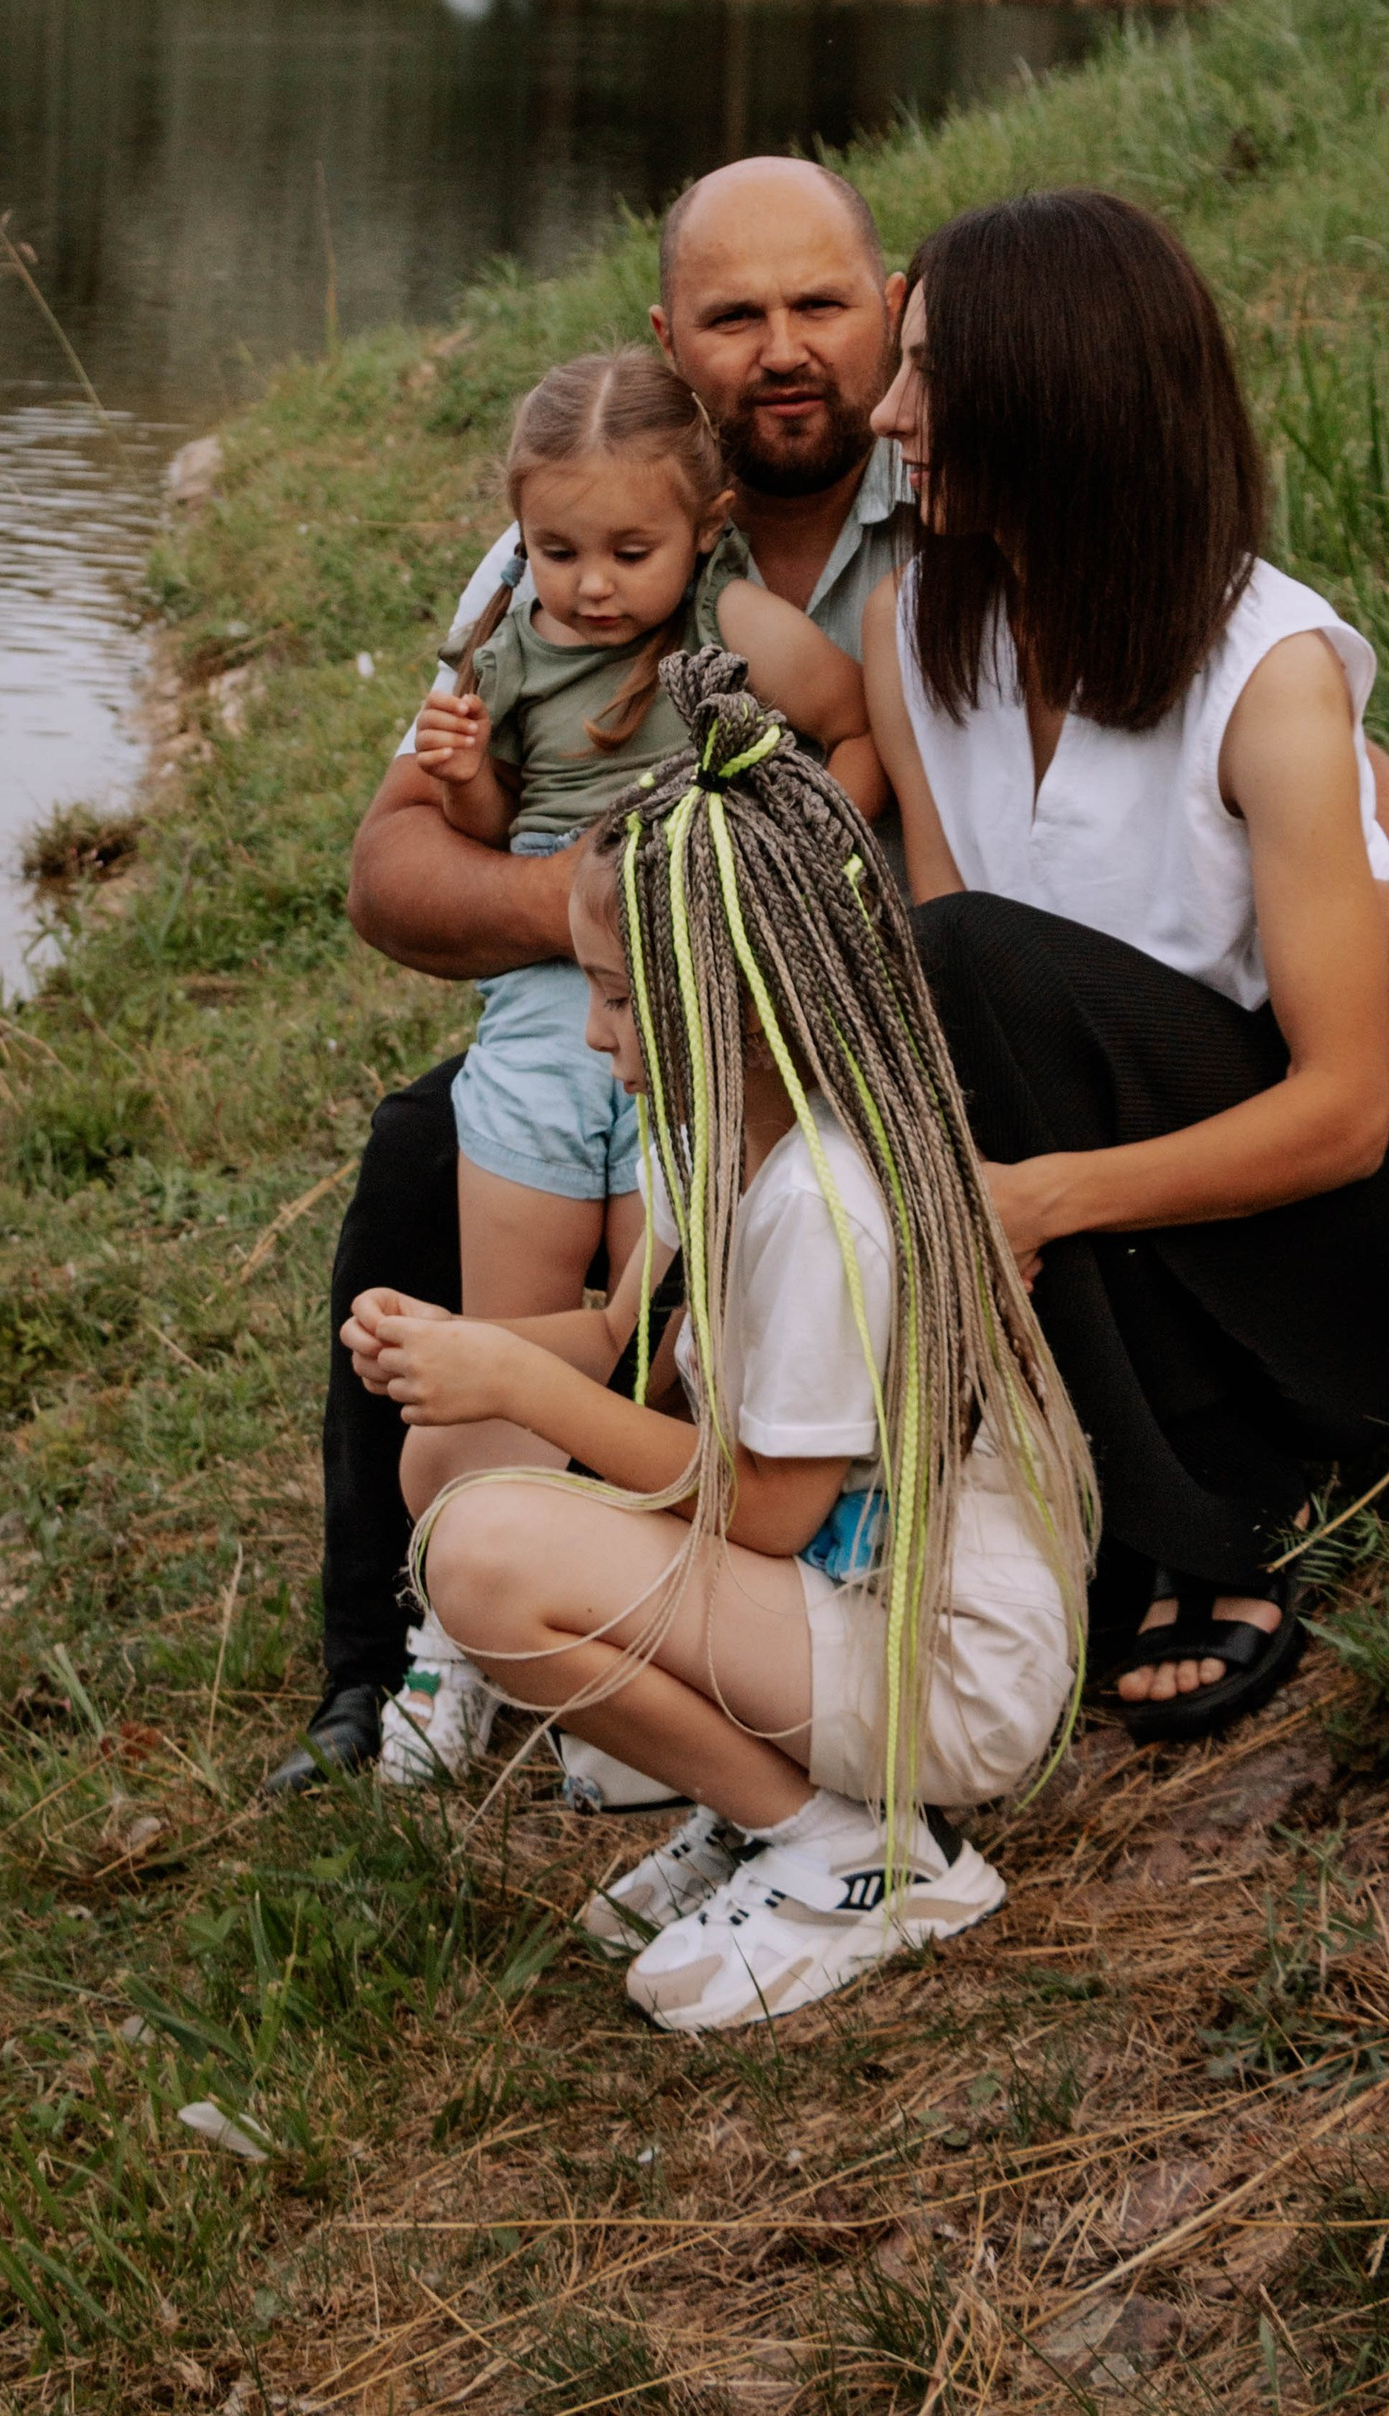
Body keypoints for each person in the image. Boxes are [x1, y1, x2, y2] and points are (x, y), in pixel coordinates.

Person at [269, 155, 1389, 1793]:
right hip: (953, 1034)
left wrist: (1009, 1193)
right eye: (736, 315)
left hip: (1273, 1136)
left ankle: (1200, 1518)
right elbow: (395, 864)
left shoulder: (1211, 645)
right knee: (457, 1136)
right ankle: (404, 1638)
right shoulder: (824, 597)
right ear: (670, 338)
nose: (866, 393)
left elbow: (1338, 1014)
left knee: (953, 996)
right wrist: (663, 962)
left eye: (865, 333)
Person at [345, 649, 1095, 2033]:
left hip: (942, 1662)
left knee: (486, 1554)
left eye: (623, 998)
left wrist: (516, 1377)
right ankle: (771, 1811)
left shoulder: (827, 1202)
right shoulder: (716, 1132)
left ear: (744, 993)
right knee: (457, 1451)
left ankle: (856, 1853)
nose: (596, 1034)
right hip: (837, 1599)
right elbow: (625, 1333)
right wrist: (469, 1360)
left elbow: (766, 1511)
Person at [862, 188, 1389, 1742]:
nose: (891, 413)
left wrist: (1037, 1202)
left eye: (930, 373)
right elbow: (972, 1024)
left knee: (973, 970)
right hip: (1107, 1152)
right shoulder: (914, 629)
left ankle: (1219, 1514)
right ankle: (1094, 1483)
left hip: (1339, 1196)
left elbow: (1346, 1111)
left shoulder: (1266, 670)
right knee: (963, 986)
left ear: (1058, 388)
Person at [383, 346, 878, 1775]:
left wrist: (771, 882)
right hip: (547, 1000)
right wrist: (463, 759)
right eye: (556, 549)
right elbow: (483, 822)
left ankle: (631, 1640)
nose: (591, 583)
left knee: (653, 1342)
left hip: (683, 999)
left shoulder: (730, 629)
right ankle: (457, 1639)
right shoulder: (513, 633)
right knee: (501, 1332)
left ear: (707, 520)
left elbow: (850, 729)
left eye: (627, 550)